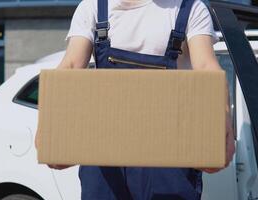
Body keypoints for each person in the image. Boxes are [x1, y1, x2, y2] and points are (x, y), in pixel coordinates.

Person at [36, 0, 235, 199]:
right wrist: (48, 123)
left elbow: (207, 69)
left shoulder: (190, 8)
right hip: (103, 154)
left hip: (170, 155)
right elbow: (70, 66)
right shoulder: (93, 7)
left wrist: (223, 119)